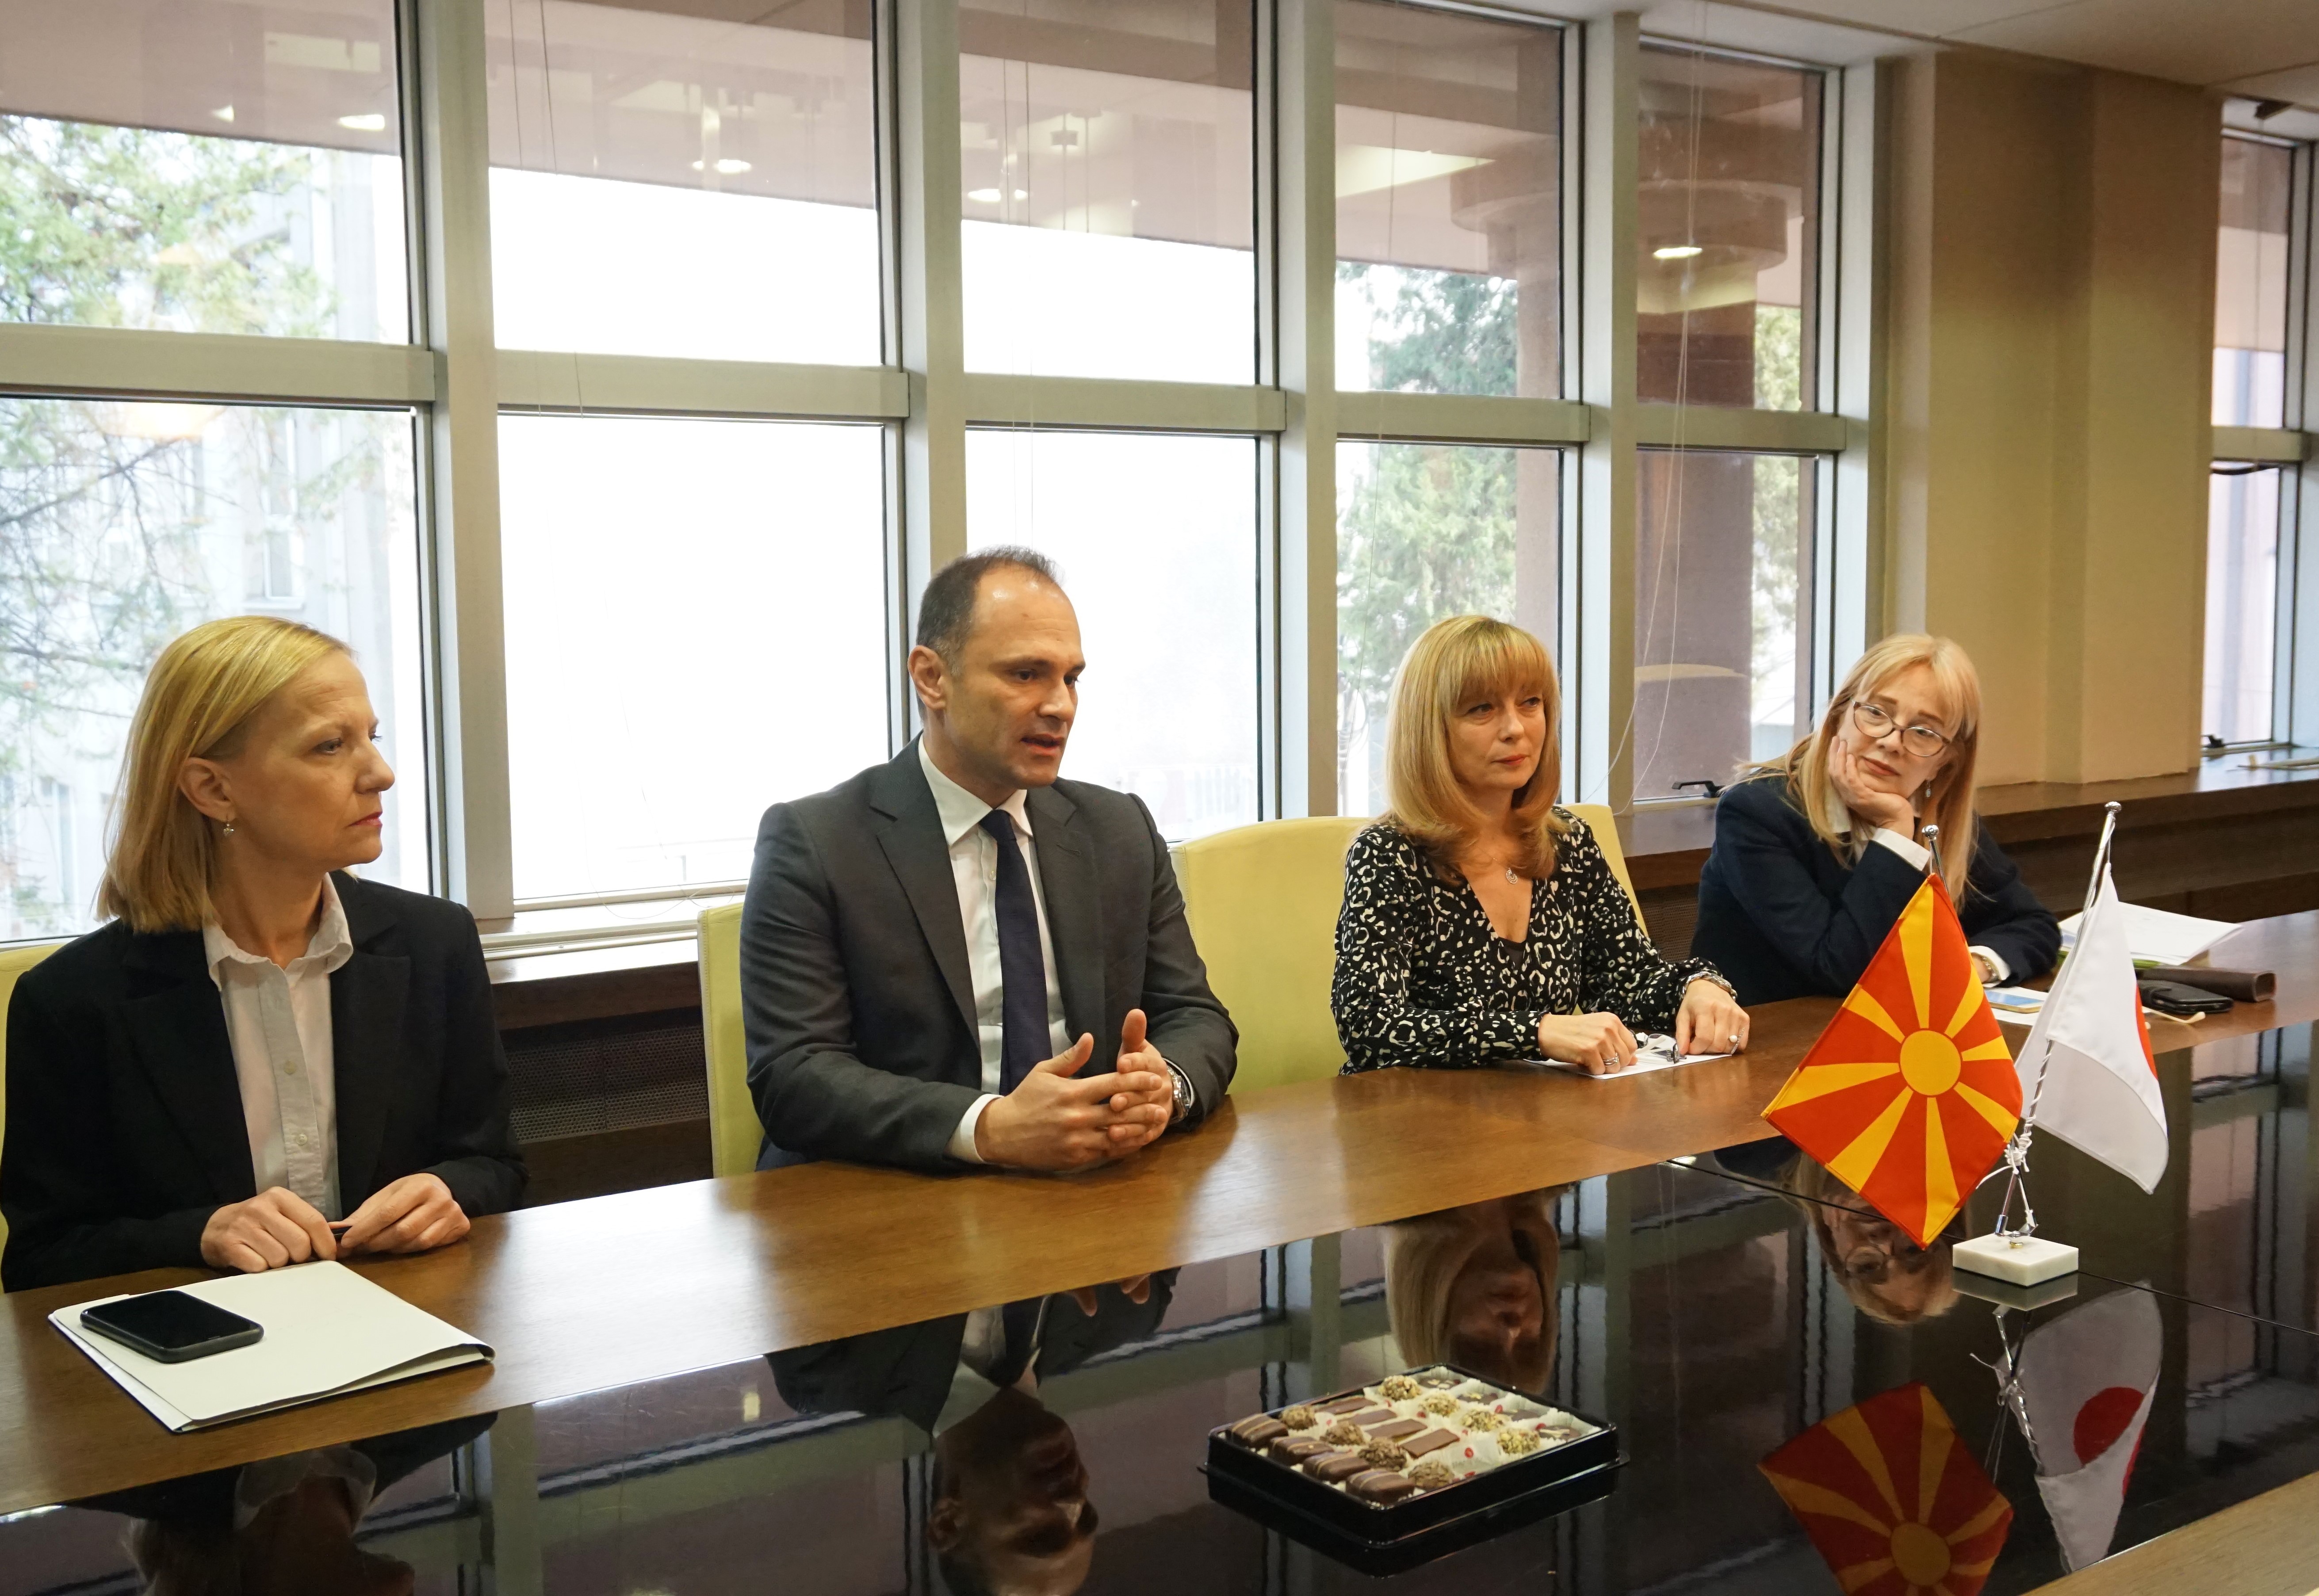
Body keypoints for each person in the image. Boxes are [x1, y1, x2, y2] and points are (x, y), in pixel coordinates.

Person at [2, 617, 524, 1292]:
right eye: (330, 745)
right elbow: (43, 1256)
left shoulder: (436, 942)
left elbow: (495, 1164)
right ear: (213, 789)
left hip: (408, 1318)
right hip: (206, 1343)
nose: (382, 774)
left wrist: (447, 1190)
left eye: (372, 738)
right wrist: (199, 1234)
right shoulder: (71, 1000)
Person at [742, 548, 1236, 1171]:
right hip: (897, 1190)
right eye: (1026, 674)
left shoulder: (1118, 829)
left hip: (1093, 1184)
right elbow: (794, 1075)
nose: (1060, 706)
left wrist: (1165, 1086)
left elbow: (1196, 1016)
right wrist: (988, 1127)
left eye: (1071, 678)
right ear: (932, 678)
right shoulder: (818, 842)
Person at [1332, 615, 1747, 1075]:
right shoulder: (1388, 854)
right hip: (1419, 1114)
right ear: (1430, 730)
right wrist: (1537, 1031)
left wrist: (1698, 988)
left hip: (1546, 1110)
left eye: (1530, 702)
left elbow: (1630, 982)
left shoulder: (1567, 841)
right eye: (1482, 709)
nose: (1516, 728)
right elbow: (1371, 1027)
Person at [1691, 633, 2060, 1007]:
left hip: (1893, 1029)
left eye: (1923, 732)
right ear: (1840, 714)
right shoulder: (1758, 811)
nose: (1891, 741)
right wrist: (1895, 831)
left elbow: (2034, 926)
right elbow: (1840, 969)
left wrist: (1971, 966)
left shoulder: (1940, 819)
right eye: (1876, 713)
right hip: (1770, 1032)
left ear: (1945, 761)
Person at [770, 1275, 1173, 1596]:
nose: (1074, 1501)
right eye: (1087, 1517)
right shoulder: (1134, 1303)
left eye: (1040, 1536)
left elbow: (782, 1199)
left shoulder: (827, 1365)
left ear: (947, 1522)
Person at [1385, 1188, 1565, 1394]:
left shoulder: (1388, 1189)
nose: (1512, 1330)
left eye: (1479, 1348)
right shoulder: (1561, 1177)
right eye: (1528, 1344)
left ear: (1429, 1318)